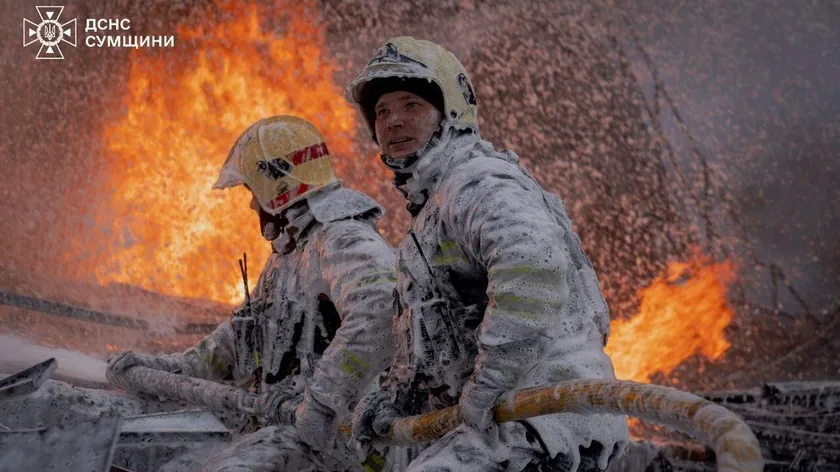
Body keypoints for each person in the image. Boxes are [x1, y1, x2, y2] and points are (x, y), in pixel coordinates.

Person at [346, 37, 630, 472]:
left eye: (411, 105)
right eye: (382, 112)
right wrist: (392, 399)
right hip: (508, 423)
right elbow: (434, 337)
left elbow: (533, 271)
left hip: (546, 425)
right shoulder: (433, 207)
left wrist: (488, 386)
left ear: (451, 113)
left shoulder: (477, 183)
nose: (393, 122)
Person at [106, 115, 396, 472]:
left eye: (252, 191)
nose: (251, 206)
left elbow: (380, 309)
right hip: (277, 424)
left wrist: (321, 402)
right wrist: (176, 370)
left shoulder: (343, 239)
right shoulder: (291, 252)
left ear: (277, 186)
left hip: (337, 441)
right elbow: (242, 336)